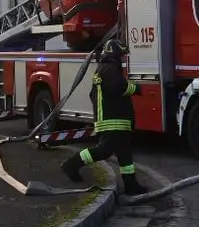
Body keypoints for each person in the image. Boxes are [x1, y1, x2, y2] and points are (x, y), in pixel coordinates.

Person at [59, 38, 146, 196]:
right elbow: (119, 88)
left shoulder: (103, 69)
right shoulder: (110, 70)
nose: (122, 59)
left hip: (111, 118)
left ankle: (131, 185)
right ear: (114, 54)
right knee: (105, 150)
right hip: (113, 119)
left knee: (124, 153)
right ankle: (72, 164)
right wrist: (137, 88)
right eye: (121, 55)